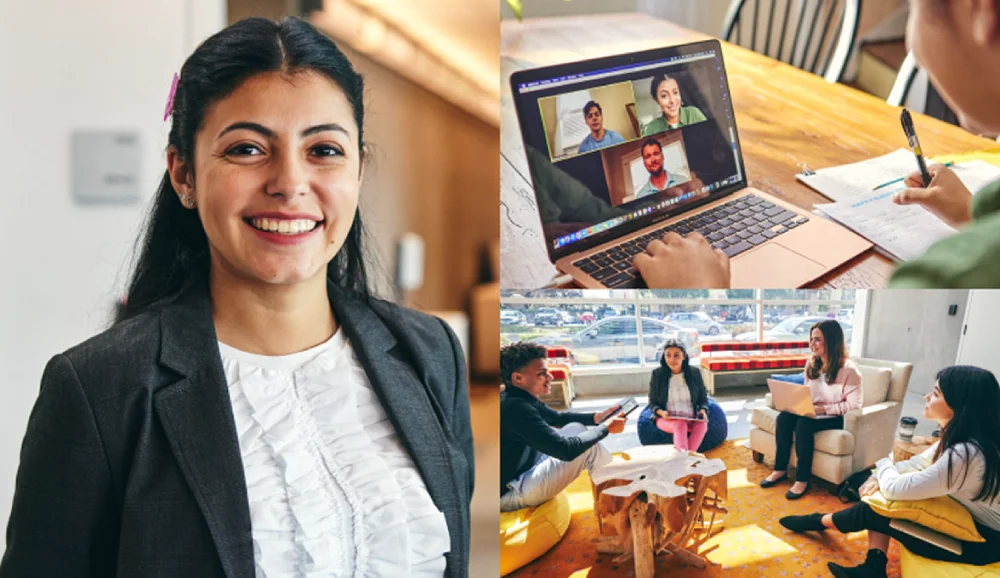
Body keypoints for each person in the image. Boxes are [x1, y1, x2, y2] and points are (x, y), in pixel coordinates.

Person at [0, 17, 473, 578]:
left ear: (360, 169)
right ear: (184, 174)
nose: (290, 182)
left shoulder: (428, 352)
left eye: (324, 149)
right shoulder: (99, 390)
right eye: (247, 148)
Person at [633, 0, 1000, 289]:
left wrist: (701, 294)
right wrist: (973, 215)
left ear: (979, 8)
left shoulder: (945, 279)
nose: (909, 43)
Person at [780, 366, 1000, 577]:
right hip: (970, 526)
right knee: (880, 494)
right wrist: (877, 475)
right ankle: (873, 566)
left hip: (980, 544)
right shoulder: (965, 440)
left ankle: (819, 522)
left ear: (958, 406)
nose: (926, 397)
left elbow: (894, 488)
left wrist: (883, 463)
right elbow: (914, 464)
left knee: (877, 508)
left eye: (935, 393)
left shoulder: (966, 454)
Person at [500, 342, 627, 512]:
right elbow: (565, 450)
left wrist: (598, 418)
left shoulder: (518, 397)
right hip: (510, 492)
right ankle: (619, 502)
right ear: (518, 378)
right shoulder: (514, 408)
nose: (550, 377)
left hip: (526, 469)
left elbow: (558, 418)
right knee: (588, 449)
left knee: (576, 427)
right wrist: (606, 428)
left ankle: (614, 491)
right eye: (542, 374)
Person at [759, 320, 861, 500]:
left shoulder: (849, 370)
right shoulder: (812, 364)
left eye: (817, 340)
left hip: (836, 416)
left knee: (804, 425)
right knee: (784, 418)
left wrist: (824, 409)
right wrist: (798, 403)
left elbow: (854, 405)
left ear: (831, 341)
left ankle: (802, 479)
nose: (812, 344)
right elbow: (808, 393)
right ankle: (780, 469)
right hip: (814, 412)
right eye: (811, 339)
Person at [647, 339, 709, 452]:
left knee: (703, 424)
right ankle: (685, 460)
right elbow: (652, 403)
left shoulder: (694, 373)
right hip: (667, 419)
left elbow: (703, 398)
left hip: (690, 417)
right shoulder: (657, 375)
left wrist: (703, 411)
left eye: (676, 355)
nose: (672, 360)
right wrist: (661, 412)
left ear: (684, 356)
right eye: (668, 355)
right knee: (680, 424)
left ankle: (685, 458)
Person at [641, 72, 708, 135]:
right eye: (664, 96)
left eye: (675, 92)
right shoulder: (652, 128)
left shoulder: (694, 113)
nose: (672, 101)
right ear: (657, 100)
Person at [634, 138, 701, 200]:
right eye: (648, 156)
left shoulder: (683, 180)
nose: (653, 159)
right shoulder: (640, 196)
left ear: (662, 156)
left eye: (656, 154)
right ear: (644, 163)